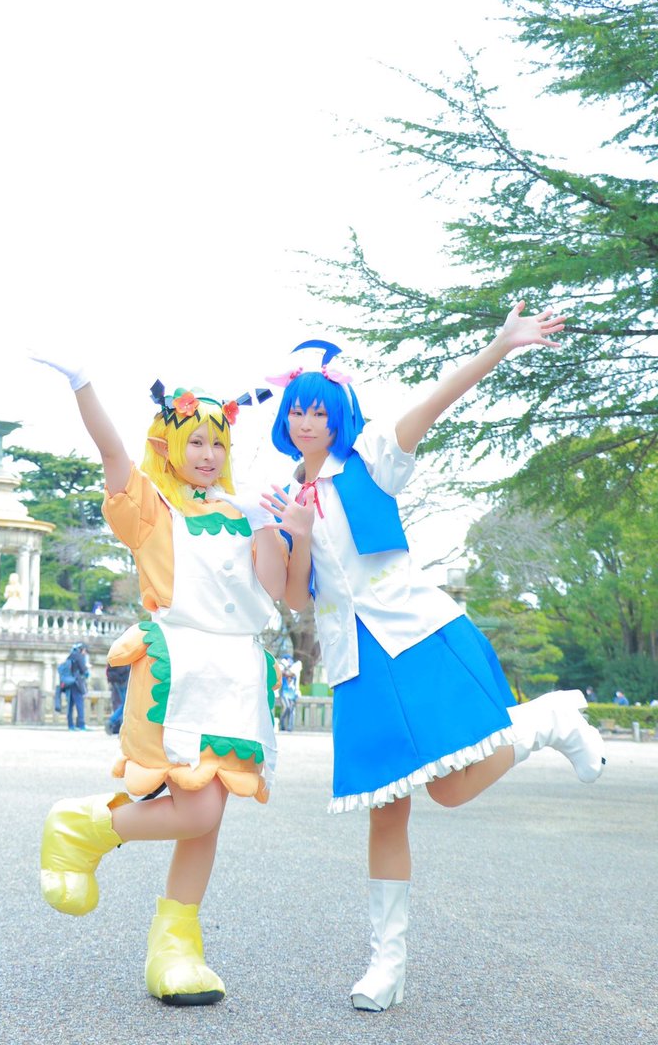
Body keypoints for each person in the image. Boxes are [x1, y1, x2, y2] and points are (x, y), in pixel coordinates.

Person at [262, 307, 606, 1014]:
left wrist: (499, 346)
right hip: (356, 664)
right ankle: (386, 964)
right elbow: (295, 598)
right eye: (297, 410)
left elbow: (437, 400)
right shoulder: (286, 496)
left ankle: (545, 721)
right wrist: (291, 530)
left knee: (449, 790)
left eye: (320, 410)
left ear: (339, 413)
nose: (307, 421)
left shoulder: (373, 458)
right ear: (284, 417)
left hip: (416, 635)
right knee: (386, 813)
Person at [33, 352, 286, 1005]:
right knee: (196, 808)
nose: (207, 454)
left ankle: (177, 948)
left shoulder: (244, 509)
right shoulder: (154, 508)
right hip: (180, 670)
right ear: (169, 443)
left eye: (217, 443)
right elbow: (113, 455)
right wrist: (83, 384)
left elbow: (276, 590)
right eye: (195, 441)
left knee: (209, 819)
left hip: (240, 676)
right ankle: (85, 824)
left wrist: (274, 524)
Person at [64, 643, 90, 731]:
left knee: (70, 705)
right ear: (82, 650)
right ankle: (81, 725)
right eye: (85, 651)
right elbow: (83, 670)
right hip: (77, 683)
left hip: (69, 682)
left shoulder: (70, 656)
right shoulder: (79, 656)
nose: (85, 653)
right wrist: (87, 669)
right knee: (80, 704)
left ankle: (70, 725)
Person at [105, 660, 130, 736]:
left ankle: (113, 721)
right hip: (123, 681)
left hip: (116, 681)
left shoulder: (114, 655)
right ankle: (115, 722)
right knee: (126, 705)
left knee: (125, 704)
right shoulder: (124, 655)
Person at [278, 654, 301, 732]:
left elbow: (296, 681)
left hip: (292, 692)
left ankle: (290, 727)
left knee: (291, 708)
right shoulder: (282, 669)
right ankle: (282, 724)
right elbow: (282, 674)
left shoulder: (295, 670)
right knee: (286, 707)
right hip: (284, 692)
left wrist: (297, 691)